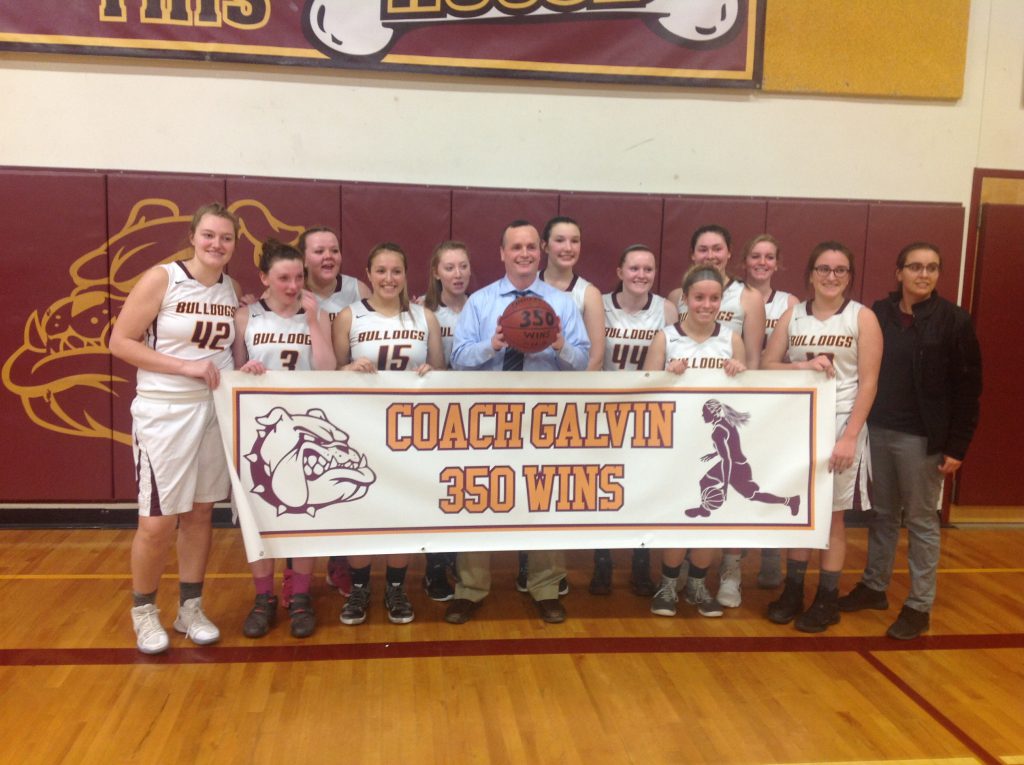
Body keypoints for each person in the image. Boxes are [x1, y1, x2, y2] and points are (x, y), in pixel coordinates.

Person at [109, 202, 242, 654]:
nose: (216, 244)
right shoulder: (162, 278)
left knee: (202, 513)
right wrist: (182, 366)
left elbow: (225, 356)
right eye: (208, 235)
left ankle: (190, 607)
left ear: (234, 245)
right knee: (157, 522)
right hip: (164, 413)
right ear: (192, 236)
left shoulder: (231, 288)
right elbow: (119, 342)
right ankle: (144, 611)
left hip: (211, 412)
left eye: (225, 238)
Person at [445, 220, 589, 625]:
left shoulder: (561, 304)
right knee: (479, 500)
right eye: (516, 247)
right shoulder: (481, 302)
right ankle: (471, 589)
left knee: (544, 501)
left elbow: (582, 363)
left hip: (544, 418)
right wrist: (492, 345)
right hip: (489, 417)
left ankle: (546, 586)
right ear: (502, 253)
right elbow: (457, 358)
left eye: (530, 247)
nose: (524, 253)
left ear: (539, 252)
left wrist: (560, 345)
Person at [838, 242, 981, 639]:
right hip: (877, 431)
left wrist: (957, 446)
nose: (924, 274)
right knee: (881, 515)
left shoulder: (954, 320)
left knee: (920, 521)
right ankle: (874, 587)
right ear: (899, 272)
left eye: (932, 268)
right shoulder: (877, 314)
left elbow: (970, 389)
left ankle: (919, 605)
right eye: (915, 267)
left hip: (923, 440)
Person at [762, 241, 882, 633]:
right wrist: (801, 365)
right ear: (811, 273)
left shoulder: (861, 318)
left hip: (842, 423)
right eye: (824, 269)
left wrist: (849, 438)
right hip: (799, 424)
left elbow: (868, 384)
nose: (832, 276)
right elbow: (767, 365)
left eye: (840, 270)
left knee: (831, 517)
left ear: (849, 276)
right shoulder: (793, 316)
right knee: (799, 511)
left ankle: (827, 599)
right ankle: (793, 591)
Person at [332, 242, 444, 625]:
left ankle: (396, 586)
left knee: (401, 509)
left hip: (408, 431)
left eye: (396, 271)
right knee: (359, 510)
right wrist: (346, 371)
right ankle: (361, 586)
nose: (389, 278)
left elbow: (442, 375)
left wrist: (430, 374)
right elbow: (330, 375)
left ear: (406, 274)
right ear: (368, 273)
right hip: (360, 429)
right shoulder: (349, 316)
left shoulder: (424, 318)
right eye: (381, 271)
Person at [232, 239, 336, 639]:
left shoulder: (319, 313)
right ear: (264, 278)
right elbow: (233, 370)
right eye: (283, 278)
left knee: (301, 512)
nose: (293, 285)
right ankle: (263, 597)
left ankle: (302, 596)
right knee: (260, 517)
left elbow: (328, 370)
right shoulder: (247, 316)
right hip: (256, 431)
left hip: (306, 427)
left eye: (298, 277)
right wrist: (247, 369)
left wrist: (312, 321)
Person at [668, 224, 766, 610]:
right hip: (683, 421)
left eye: (717, 248)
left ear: (729, 254)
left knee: (723, 499)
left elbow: (753, 362)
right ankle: (670, 579)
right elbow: (657, 366)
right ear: (693, 255)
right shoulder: (675, 299)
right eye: (703, 249)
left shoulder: (749, 299)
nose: (710, 255)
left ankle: (728, 571)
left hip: (725, 412)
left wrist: (743, 385)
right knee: (680, 499)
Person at [643, 265, 746, 619]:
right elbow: (646, 390)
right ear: (685, 299)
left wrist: (739, 371)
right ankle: (669, 582)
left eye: (713, 298)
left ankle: (699, 582)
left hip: (715, 448)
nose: (706, 304)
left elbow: (748, 399)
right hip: (675, 446)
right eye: (699, 297)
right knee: (677, 516)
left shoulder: (731, 339)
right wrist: (665, 377)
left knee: (712, 516)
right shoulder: (666, 338)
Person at [589, 244, 678, 597]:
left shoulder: (666, 310)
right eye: (634, 268)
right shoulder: (601, 306)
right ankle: (602, 560)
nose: (641, 275)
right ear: (619, 271)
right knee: (604, 489)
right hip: (606, 410)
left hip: (650, 411)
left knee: (644, 487)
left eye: (648, 269)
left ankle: (642, 561)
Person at [294, 226, 370, 599]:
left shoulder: (357, 289)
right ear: (304, 257)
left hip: (348, 403)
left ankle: (339, 562)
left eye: (334, 250)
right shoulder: (291, 286)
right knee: (298, 493)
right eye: (319, 251)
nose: (328, 257)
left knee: (340, 485)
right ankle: (294, 578)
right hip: (303, 400)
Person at [744, 234, 800, 590]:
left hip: (777, 402)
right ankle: (729, 560)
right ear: (744, 261)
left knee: (770, 476)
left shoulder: (789, 303)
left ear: (778, 263)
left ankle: (769, 555)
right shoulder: (735, 296)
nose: (762, 262)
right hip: (741, 396)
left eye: (769, 257)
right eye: (755, 256)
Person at [419, 240, 473, 602]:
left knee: (465, 492)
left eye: (463, 266)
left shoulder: (482, 307)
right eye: (449, 267)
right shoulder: (419, 312)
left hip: (474, 413)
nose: (457, 274)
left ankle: (460, 561)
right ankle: (434, 564)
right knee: (436, 493)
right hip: (435, 415)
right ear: (436, 272)